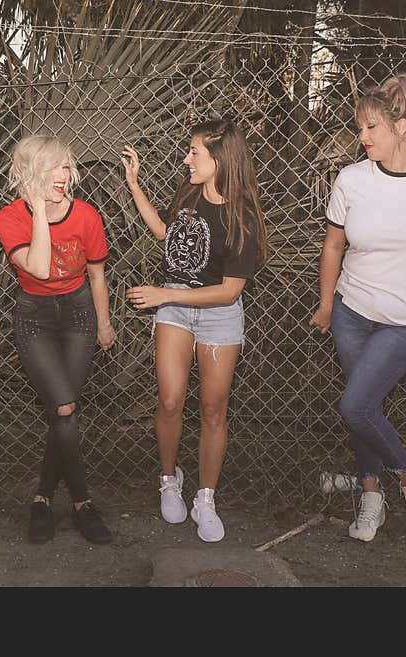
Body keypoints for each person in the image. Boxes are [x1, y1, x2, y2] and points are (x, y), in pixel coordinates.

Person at [309, 74, 406, 542]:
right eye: (360, 128)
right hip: (352, 311)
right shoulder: (352, 179)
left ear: (401, 126)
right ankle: (371, 497)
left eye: (372, 127)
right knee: (366, 404)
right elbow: (333, 246)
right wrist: (325, 304)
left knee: (356, 406)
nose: (362, 137)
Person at [122, 119, 267, 542]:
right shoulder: (188, 195)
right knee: (169, 401)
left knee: (212, 409)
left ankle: (206, 496)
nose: (186, 159)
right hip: (175, 305)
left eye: (194, 154)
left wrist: (164, 296)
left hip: (216, 312)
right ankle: (169, 479)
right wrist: (135, 185)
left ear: (220, 160)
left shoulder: (242, 217)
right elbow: (170, 238)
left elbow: (228, 292)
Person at [0, 135, 116, 545]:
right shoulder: (9, 217)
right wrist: (40, 212)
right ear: (28, 173)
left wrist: (104, 323)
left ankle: (42, 499)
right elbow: (41, 269)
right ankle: (83, 502)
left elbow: (97, 273)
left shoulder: (87, 216)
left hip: (80, 313)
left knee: (63, 414)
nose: (63, 175)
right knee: (64, 407)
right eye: (52, 168)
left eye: (66, 166)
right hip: (36, 318)